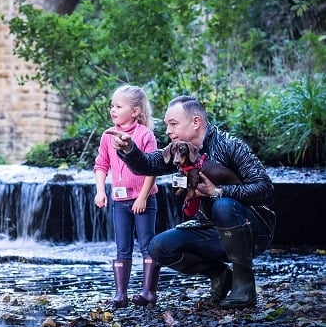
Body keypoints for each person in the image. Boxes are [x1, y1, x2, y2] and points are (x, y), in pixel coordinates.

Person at [107, 95, 276, 309]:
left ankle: (244, 285)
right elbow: (147, 164)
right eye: (167, 124)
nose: (168, 130)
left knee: (223, 205)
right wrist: (129, 149)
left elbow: (265, 188)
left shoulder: (231, 146)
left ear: (196, 122)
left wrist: (218, 192)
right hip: (210, 230)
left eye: (173, 124)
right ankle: (221, 275)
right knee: (158, 247)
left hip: (254, 231)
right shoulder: (179, 150)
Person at [94, 84, 159, 309]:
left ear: (135, 112)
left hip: (144, 200)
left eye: (118, 106)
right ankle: (120, 294)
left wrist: (142, 197)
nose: (113, 110)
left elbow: (152, 168)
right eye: (112, 105)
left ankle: (148, 292)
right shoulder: (107, 135)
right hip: (119, 201)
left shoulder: (145, 135)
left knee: (147, 244)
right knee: (123, 247)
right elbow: (101, 164)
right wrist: (101, 190)